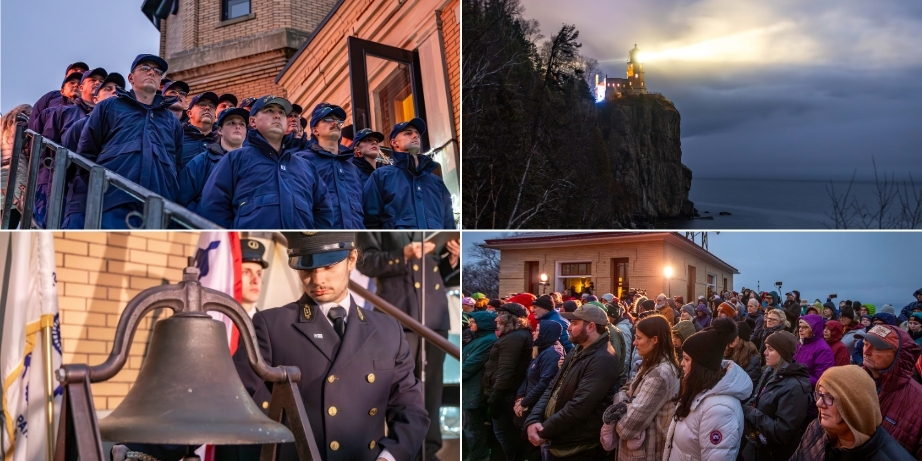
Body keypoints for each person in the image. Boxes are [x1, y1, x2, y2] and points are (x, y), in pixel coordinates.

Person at [228, 232, 428, 461]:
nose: (317, 279)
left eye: (328, 266)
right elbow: (236, 400)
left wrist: (388, 458)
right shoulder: (272, 326)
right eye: (306, 268)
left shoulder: (388, 330)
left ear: (352, 259)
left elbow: (410, 410)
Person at [355, 233, 460, 460]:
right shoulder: (377, 217)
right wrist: (402, 254)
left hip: (434, 316)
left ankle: (428, 451)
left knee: (432, 389)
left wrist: (451, 260)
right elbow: (365, 262)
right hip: (398, 314)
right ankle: (399, 451)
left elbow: (435, 272)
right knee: (401, 390)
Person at [65, 54, 183, 229]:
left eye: (157, 71)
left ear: (160, 82)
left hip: (159, 208)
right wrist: (102, 187)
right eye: (145, 68)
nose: (152, 73)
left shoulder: (171, 121)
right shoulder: (109, 107)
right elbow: (86, 153)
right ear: (131, 78)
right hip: (114, 201)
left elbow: (176, 164)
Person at [197, 95, 335, 229]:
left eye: (282, 112)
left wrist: (308, 239)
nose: (277, 116)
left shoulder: (306, 167)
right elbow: (213, 207)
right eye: (269, 110)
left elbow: (324, 212)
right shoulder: (235, 159)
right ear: (252, 122)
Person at [524, 304, 620, 461]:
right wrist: (534, 418)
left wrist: (543, 431)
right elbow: (553, 386)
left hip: (578, 447)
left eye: (574, 323)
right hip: (561, 439)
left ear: (590, 327)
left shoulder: (603, 359)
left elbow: (580, 406)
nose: (568, 327)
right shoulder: (578, 349)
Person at [662, 318, 752, 461]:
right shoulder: (698, 389)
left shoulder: (719, 410)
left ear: (700, 366)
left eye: (686, 359)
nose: (681, 363)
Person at [789, 365, 914, 461]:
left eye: (829, 397)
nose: (819, 403)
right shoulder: (816, 427)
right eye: (819, 394)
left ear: (854, 406)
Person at [600, 315, 680, 461]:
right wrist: (626, 400)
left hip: (644, 453)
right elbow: (626, 388)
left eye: (639, 338)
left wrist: (621, 402)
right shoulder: (650, 364)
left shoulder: (659, 375)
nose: (634, 342)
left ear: (655, 340)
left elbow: (627, 428)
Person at [363, 118, 454, 229]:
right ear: (394, 142)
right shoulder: (381, 176)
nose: (415, 136)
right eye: (408, 133)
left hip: (434, 240)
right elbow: (369, 221)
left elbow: (449, 225)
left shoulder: (437, 182)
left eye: (417, 134)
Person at [741, 330, 811, 461]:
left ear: (783, 353)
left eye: (770, 349)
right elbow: (758, 396)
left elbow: (782, 431)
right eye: (766, 348)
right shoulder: (771, 371)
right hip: (759, 446)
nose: (765, 352)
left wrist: (751, 413)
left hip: (774, 453)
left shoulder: (794, 387)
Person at [855, 324, 922, 457]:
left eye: (877, 348)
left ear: (900, 355)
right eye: (865, 344)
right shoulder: (850, 379)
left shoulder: (918, 401)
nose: (866, 351)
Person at [299, 103, 365, 229]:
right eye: (328, 119)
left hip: (355, 237)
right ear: (315, 130)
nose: (335, 123)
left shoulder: (352, 169)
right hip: (321, 237)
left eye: (338, 120)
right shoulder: (303, 161)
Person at [483, 302, 533, 460]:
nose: (496, 319)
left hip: (506, 396)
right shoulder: (515, 336)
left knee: (504, 435)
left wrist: (495, 397)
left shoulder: (514, 338)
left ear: (509, 318)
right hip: (507, 393)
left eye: (500, 316)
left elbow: (505, 371)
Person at [176, 107, 249, 212]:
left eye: (242, 124)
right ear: (220, 130)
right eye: (232, 123)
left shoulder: (254, 163)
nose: (238, 126)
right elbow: (180, 201)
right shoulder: (202, 161)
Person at [515, 320, 563, 459]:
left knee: (534, 451)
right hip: (529, 404)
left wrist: (524, 402)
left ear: (546, 333)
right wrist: (520, 397)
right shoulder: (541, 350)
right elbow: (528, 377)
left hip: (537, 407)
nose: (534, 333)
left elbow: (545, 383)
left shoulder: (552, 354)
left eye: (537, 330)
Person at [462, 310, 499, 461]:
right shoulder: (479, 339)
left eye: (473, 322)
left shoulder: (488, 341)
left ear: (483, 323)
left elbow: (470, 365)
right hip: (469, 390)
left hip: (474, 391)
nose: (470, 324)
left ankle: (479, 457)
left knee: (473, 430)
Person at [60, 72, 125, 152]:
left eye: (119, 90)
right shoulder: (81, 125)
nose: (115, 91)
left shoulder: (132, 126)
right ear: (96, 99)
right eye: (108, 89)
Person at [29, 61, 89, 131]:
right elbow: (36, 114)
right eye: (75, 70)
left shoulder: (88, 108)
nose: (79, 72)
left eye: (83, 71)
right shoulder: (52, 96)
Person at [178, 92, 220, 170]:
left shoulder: (222, 140)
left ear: (215, 116)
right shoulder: (178, 136)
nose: (207, 108)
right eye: (202, 104)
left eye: (212, 106)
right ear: (189, 113)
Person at [794, 314, 835, 388]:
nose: (800, 330)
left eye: (805, 327)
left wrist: (796, 378)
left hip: (809, 391)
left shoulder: (823, 350)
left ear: (814, 329)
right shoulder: (801, 343)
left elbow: (821, 379)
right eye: (800, 326)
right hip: (797, 386)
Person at [725, 321, 762, 387]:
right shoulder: (727, 351)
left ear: (741, 338)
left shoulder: (752, 359)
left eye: (734, 335)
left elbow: (747, 385)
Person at [239, 238, 268, 319]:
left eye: (259, 274)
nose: (256, 281)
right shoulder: (214, 319)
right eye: (246, 272)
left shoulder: (269, 325)